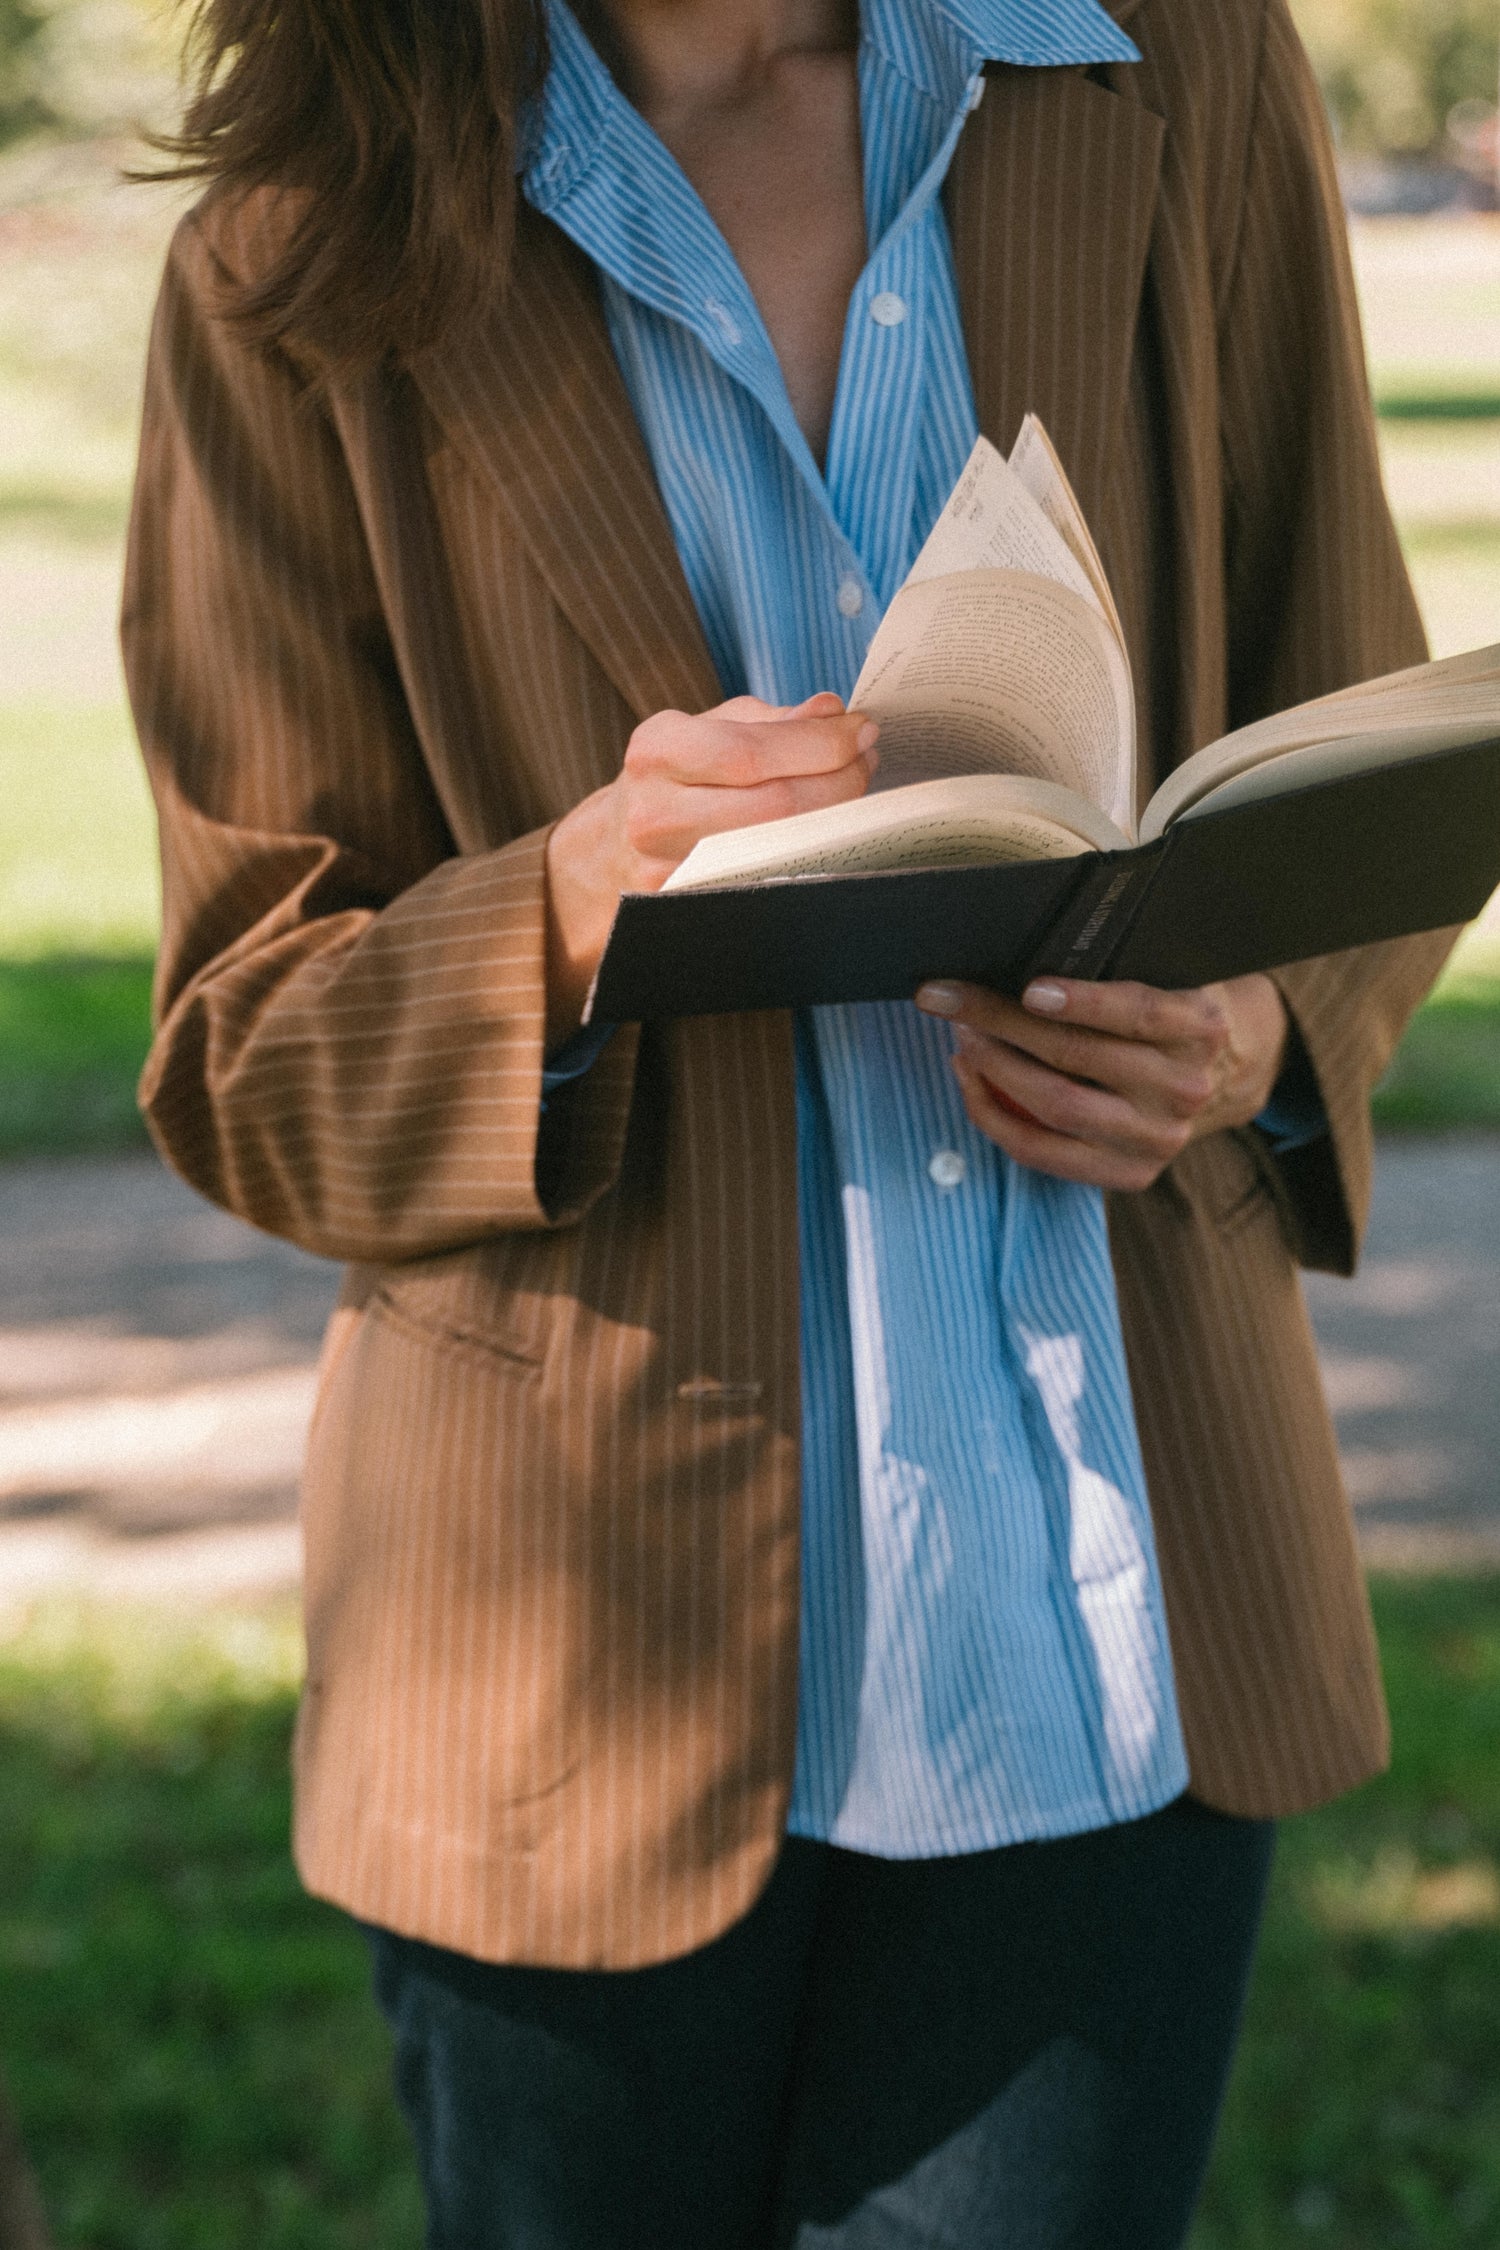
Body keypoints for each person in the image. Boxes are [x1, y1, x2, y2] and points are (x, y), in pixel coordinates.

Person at [123, 0, 1452, 2242]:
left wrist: (1248, 1024)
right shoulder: (299, 224)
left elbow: (1350, 742)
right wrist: (558, 913)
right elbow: (244, 1045)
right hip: (561, 1701)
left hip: (1110, 1652)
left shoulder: (1180, 64)